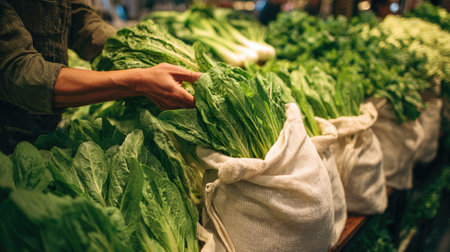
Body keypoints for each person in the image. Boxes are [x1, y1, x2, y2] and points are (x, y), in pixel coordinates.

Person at [0, 0, 201, 154]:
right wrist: (139, 80)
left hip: (46, 129)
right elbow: (18, 71)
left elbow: (79, 17)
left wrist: (143, 54)